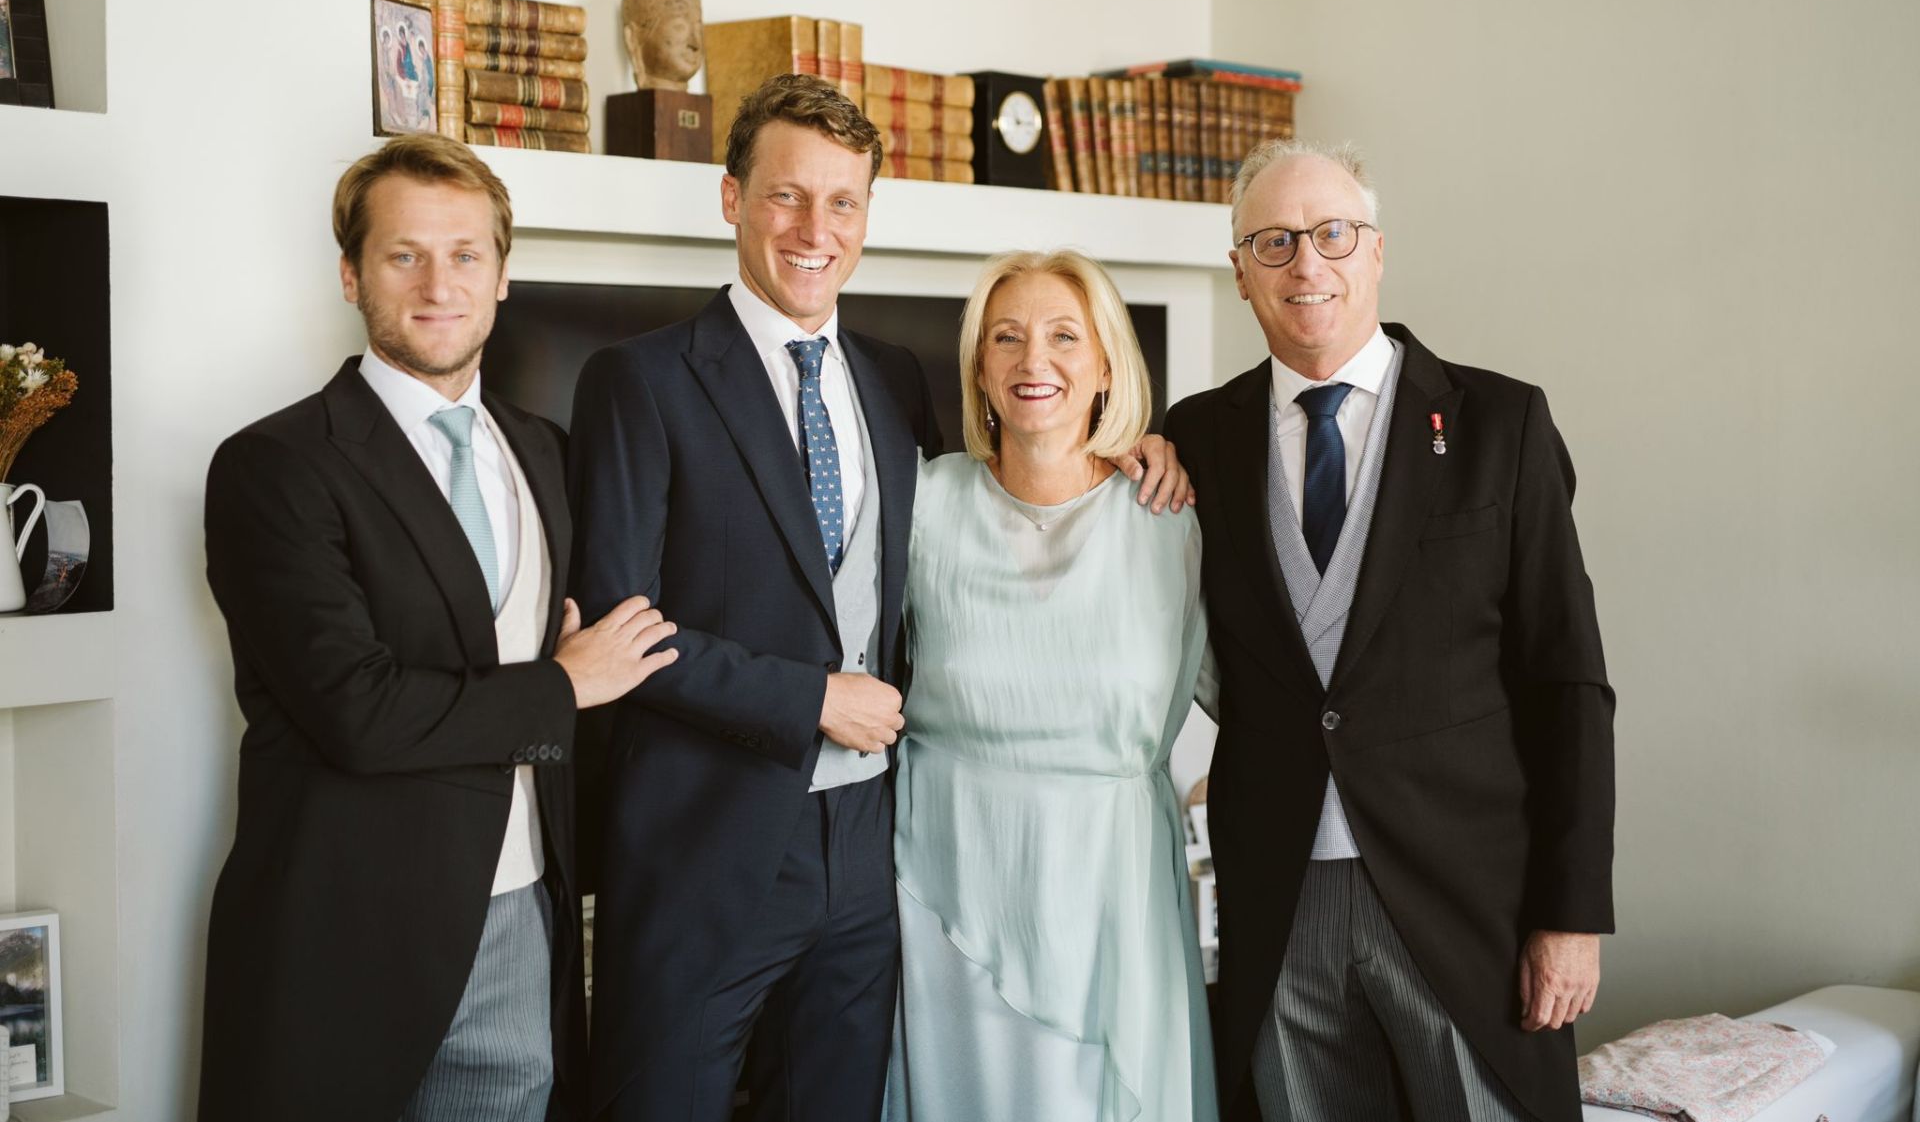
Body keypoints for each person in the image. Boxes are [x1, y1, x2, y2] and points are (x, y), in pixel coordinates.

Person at [568, 74, 1189, 1122]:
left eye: (843, 202)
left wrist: (1133, 451)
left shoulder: (894, 379)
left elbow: (981, 547)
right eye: (786, 196)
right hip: (705, 854)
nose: (816, 229)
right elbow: (619, 632)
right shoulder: (641, 381)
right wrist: (811, 696)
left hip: (876, 856)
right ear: (731, 200)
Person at [198, 134, 679, 1122]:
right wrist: (565, 684)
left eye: (465, 254)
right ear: (349, 274)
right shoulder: (274, 467)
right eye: (402, 254)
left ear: (502, 276)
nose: (437, 284)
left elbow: (542, 709)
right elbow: (355, 714)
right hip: (344, 931)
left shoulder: (546, 454)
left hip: (521, 918)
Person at [1165, 140, 1616, 1122]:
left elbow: (1567, 685)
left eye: (1332, 234)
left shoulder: (1503, 424)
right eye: (1274, 242)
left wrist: (1571, 916)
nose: (1306, 265)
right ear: (1239, 272)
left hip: (1463, 904)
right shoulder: (1193, 438)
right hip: (1277, 900)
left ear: (1376, 252)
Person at [885, 251, 1219, 1122]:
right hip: (948, 881)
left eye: (1065, 336)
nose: (1036, 361)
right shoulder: (919, 504)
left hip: (1113, 891)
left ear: (1106, 365)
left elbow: (1256, 694)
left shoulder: (1172, 519)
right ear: (981, 373)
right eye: (1008, 339)